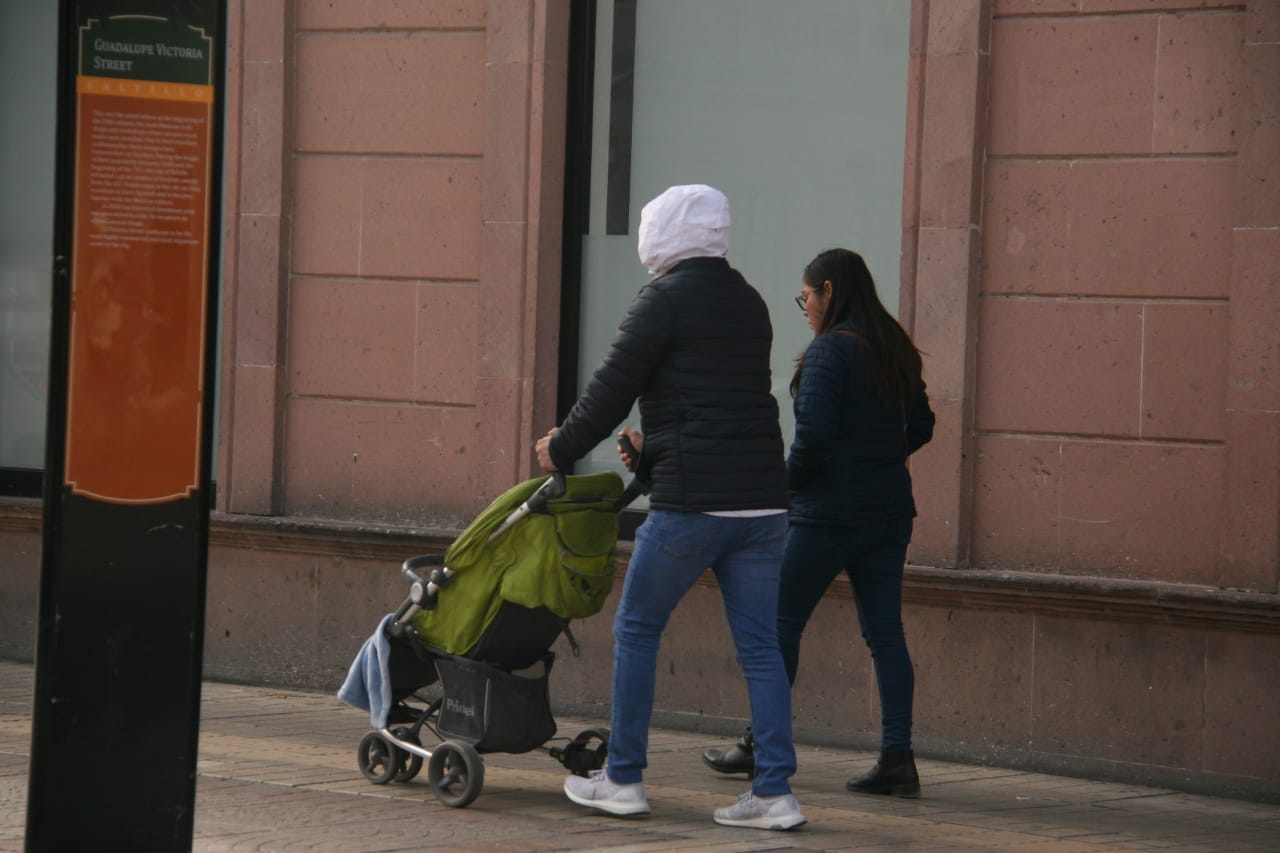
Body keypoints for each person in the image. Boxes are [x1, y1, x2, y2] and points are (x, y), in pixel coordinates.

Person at [534, 184, 806, 831]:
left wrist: (560, 447)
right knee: (762, 648)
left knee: (637, 628)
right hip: (763, 503)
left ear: (663, 236)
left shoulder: (660, 300)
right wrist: (652, 447)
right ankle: (774, 792)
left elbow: (609, 389)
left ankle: (623, 777)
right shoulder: (749, 300)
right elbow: (717, 407)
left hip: (694, 506)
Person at [702, 247, 935, 798]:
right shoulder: (892, 346)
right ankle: (897, 759)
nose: (803, 308)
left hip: (825, 516)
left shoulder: (830, 352)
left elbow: (813, 443)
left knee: (778, 626)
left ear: (828, 290)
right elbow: (922, 424)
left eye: (805, 297)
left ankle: (762, 745)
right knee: (886, 636)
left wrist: (778, 487)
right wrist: (877, 456)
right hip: (887, 513)